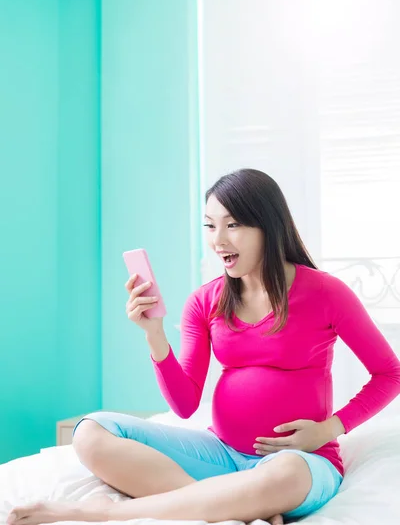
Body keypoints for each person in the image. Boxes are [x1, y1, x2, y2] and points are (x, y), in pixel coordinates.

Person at [8, 168, 400, 525]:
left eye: (233, 225)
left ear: (269, 225)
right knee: (89, 432)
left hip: (302, 462)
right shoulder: (205, 301)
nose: (218, 240)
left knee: (283, 475)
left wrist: (330, 428)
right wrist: (154, 334)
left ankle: (103, 513)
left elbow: (390, 373)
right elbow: (184, 405)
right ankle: (232, 501)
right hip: (220, 456)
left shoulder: (325, 292)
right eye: (210, 226)